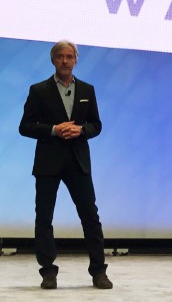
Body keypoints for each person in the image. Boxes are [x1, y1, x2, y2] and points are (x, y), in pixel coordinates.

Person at [18, 40, 113, 290]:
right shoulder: (38, 90)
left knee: (90, 217)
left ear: (75, 60)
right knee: (44, 218)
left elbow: (96, 125)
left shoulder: (87, 90)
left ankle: (98, 272)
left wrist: (81, 130)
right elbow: (25, 127)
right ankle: (48, 272)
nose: (64, 60)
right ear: (53, 60)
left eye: (69, 56)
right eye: (60, 56)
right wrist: (52, 130)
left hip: (78, 161)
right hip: (48, 161)